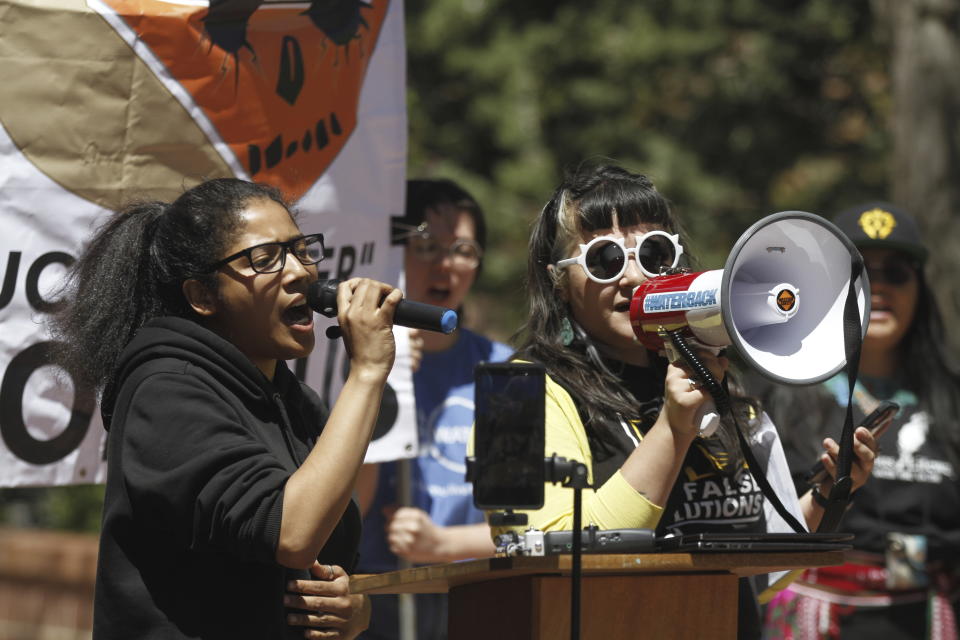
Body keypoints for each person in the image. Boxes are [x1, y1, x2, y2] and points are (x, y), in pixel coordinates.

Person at [483, 163, 877, 638]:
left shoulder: (722, 391)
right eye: (604, 260)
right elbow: (543, 553)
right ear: (557, 281)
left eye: (653, 253)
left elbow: (763, 573)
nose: (633, 278)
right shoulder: (510, 396)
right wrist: (672, 432)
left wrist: (827, 494)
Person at [48, 178, 399, 639]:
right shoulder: (164, 393)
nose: (299, 272)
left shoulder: (297, 405)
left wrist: (353, 611)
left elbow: (325, 564)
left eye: (300, 249)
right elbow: (290, 532)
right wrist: (368, 373)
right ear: (203, 297)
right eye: (265, 258)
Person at [759, 202, 960, 639]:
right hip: (815, 612)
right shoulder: (783, 395)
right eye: (862, 273)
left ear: (920, 289)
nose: (881, 287)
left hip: (927, 615)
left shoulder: (950, 399)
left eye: (897, 272)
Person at [355, 179, 511, 639]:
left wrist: (441, 545)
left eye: (463, 249)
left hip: (473, 604)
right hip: (373, 607)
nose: (446, 264)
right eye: (425, 245)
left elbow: (526, 526)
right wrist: (375, 374)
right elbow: (343, 508)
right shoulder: (351, 364)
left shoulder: (503, 370)